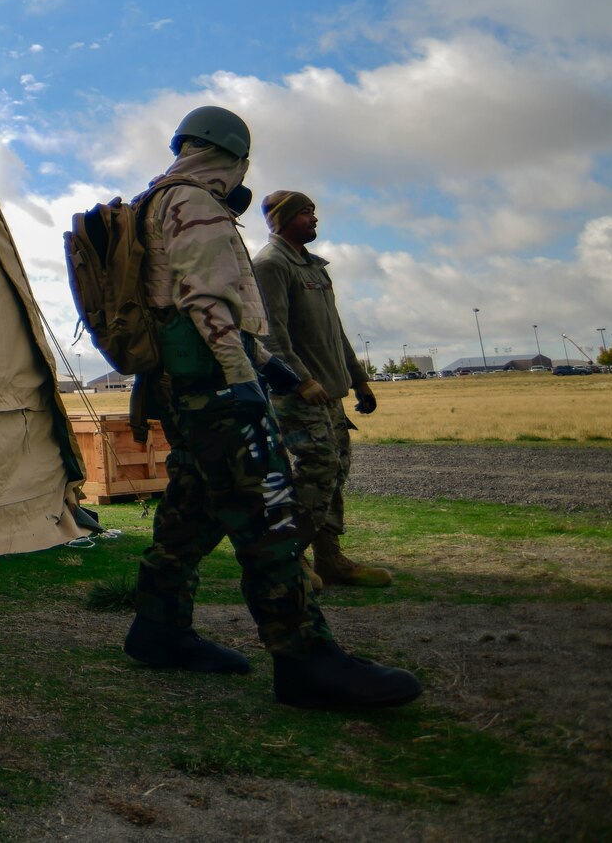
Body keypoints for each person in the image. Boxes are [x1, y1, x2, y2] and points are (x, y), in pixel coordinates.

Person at [126, 106, 420, 710]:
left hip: (186, 392)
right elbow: (208, 306)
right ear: (233, 158)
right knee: (272, 521)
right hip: (219, 393)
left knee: (189, 515)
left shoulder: (149, 205)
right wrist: (244, 387)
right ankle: (305, 658)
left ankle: (157, 629)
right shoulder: (197, 205)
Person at [253, 190, 392, 587]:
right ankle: (289, 559)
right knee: (317, 469)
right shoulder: (270, 264)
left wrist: (358, 379)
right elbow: (270, 336)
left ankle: (329, 559)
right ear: (281, 220)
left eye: (314, 211)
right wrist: (302, 381)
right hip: (298, 394)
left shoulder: (314, 267)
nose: (314, 219)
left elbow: (335, 331)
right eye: (305, 213)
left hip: (330, 393)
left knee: (335, 472)